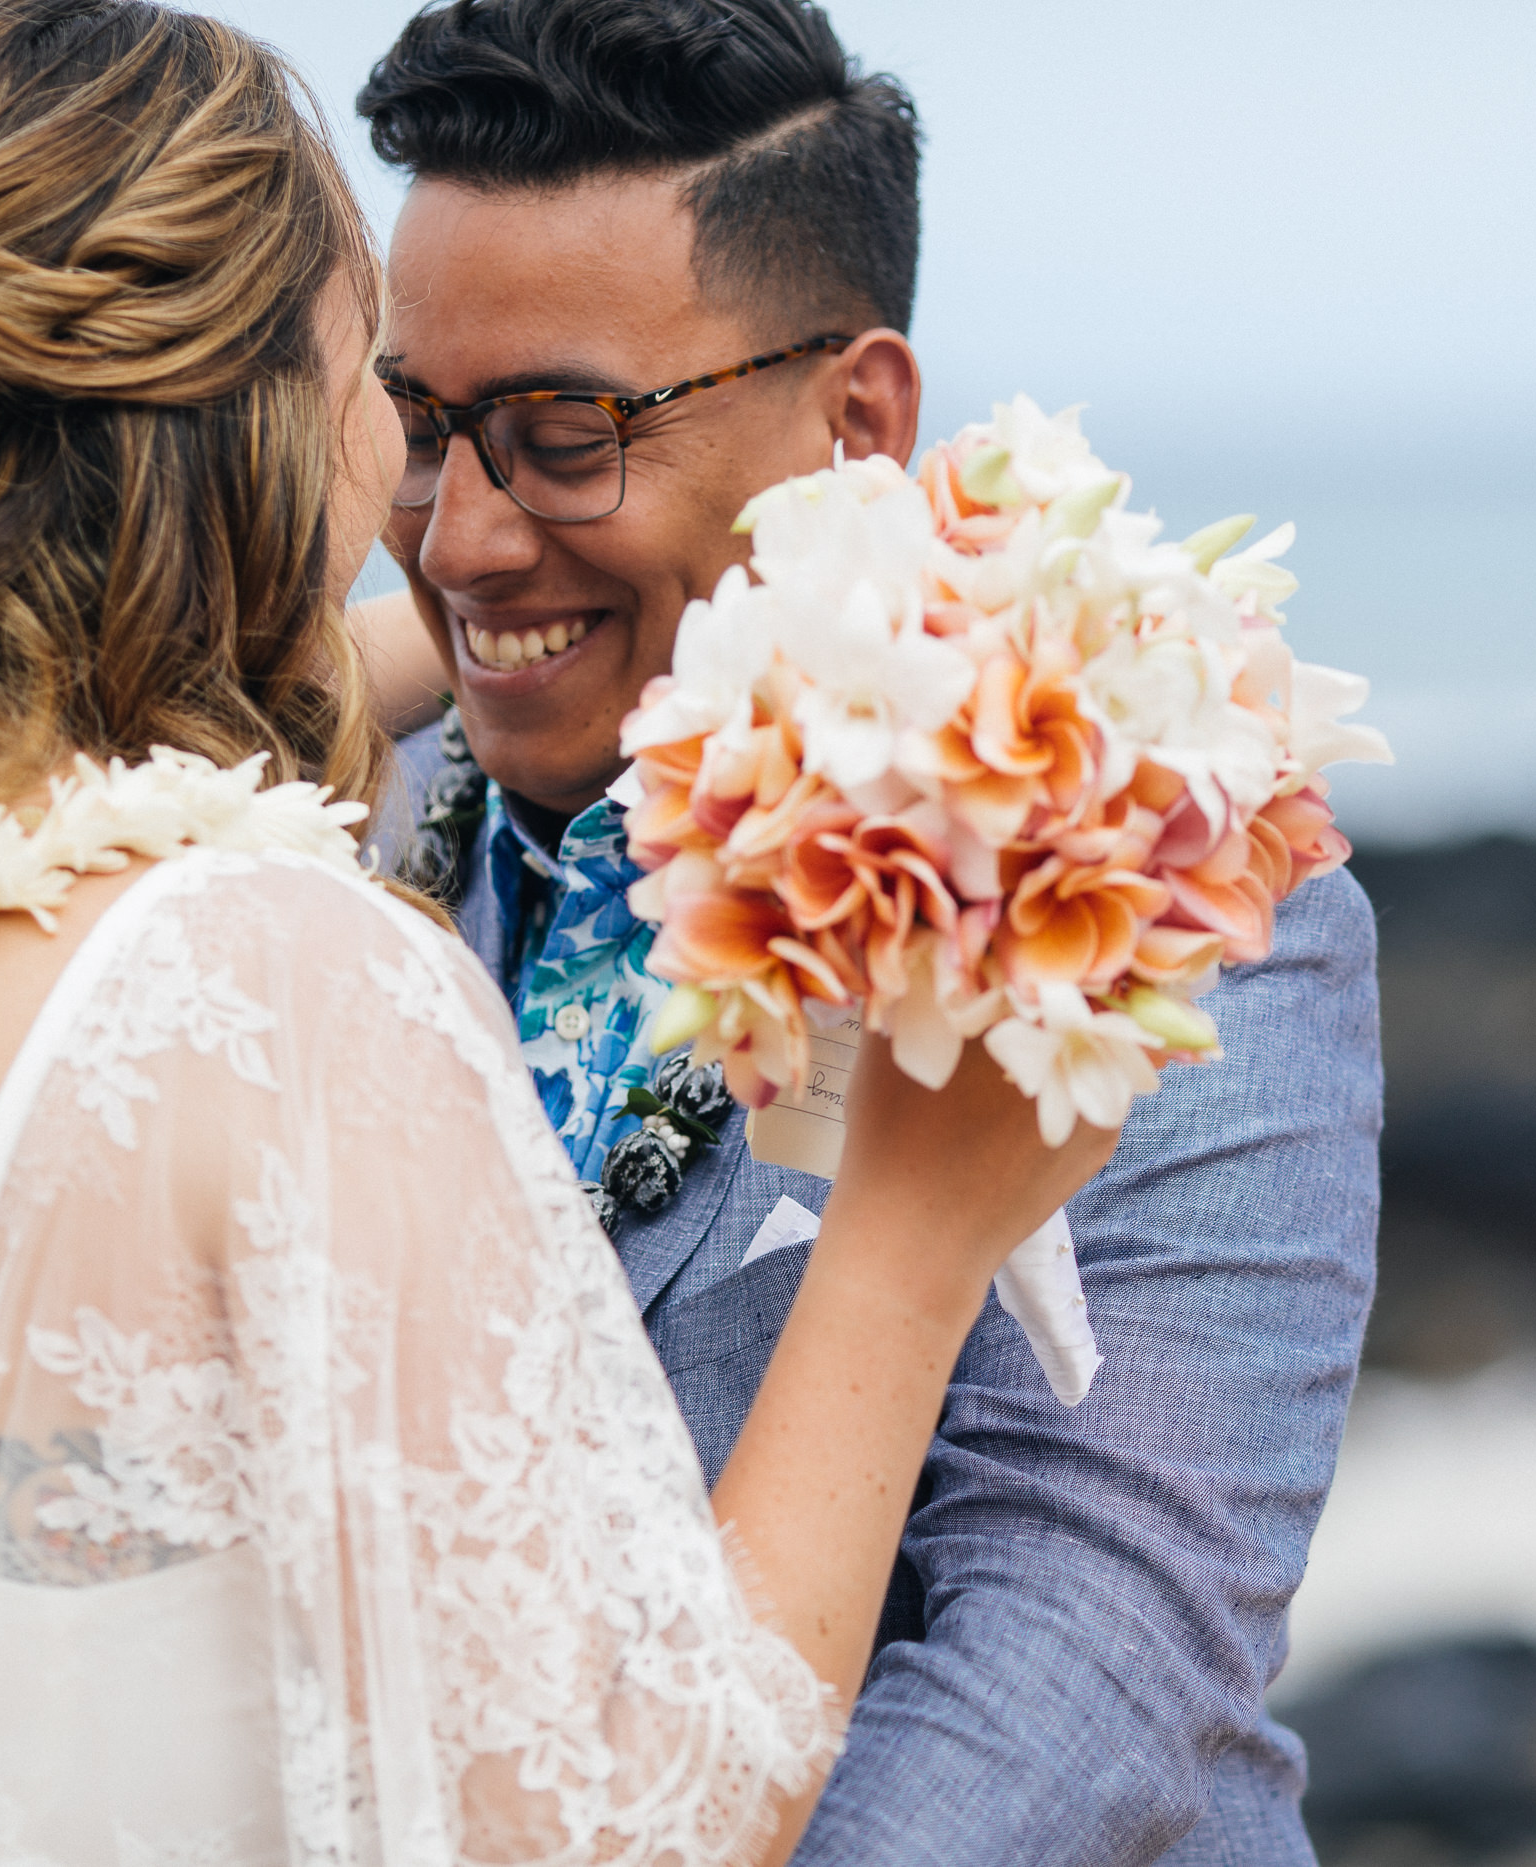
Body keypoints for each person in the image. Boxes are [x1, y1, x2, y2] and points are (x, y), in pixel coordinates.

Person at [0, 4, 1116, 1861]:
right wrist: (915, 1239)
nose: (443, 513)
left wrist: (672, 648)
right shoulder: (262, 973)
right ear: (248, 434)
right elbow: (637, 1815)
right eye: (390, 390)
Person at [358, 4, 1385, 1862]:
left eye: (566, 435)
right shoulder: (340, 820)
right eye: (421, 427)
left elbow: (1099, 1655)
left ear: (859, 421)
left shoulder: (1147, 879)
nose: (462, 541)